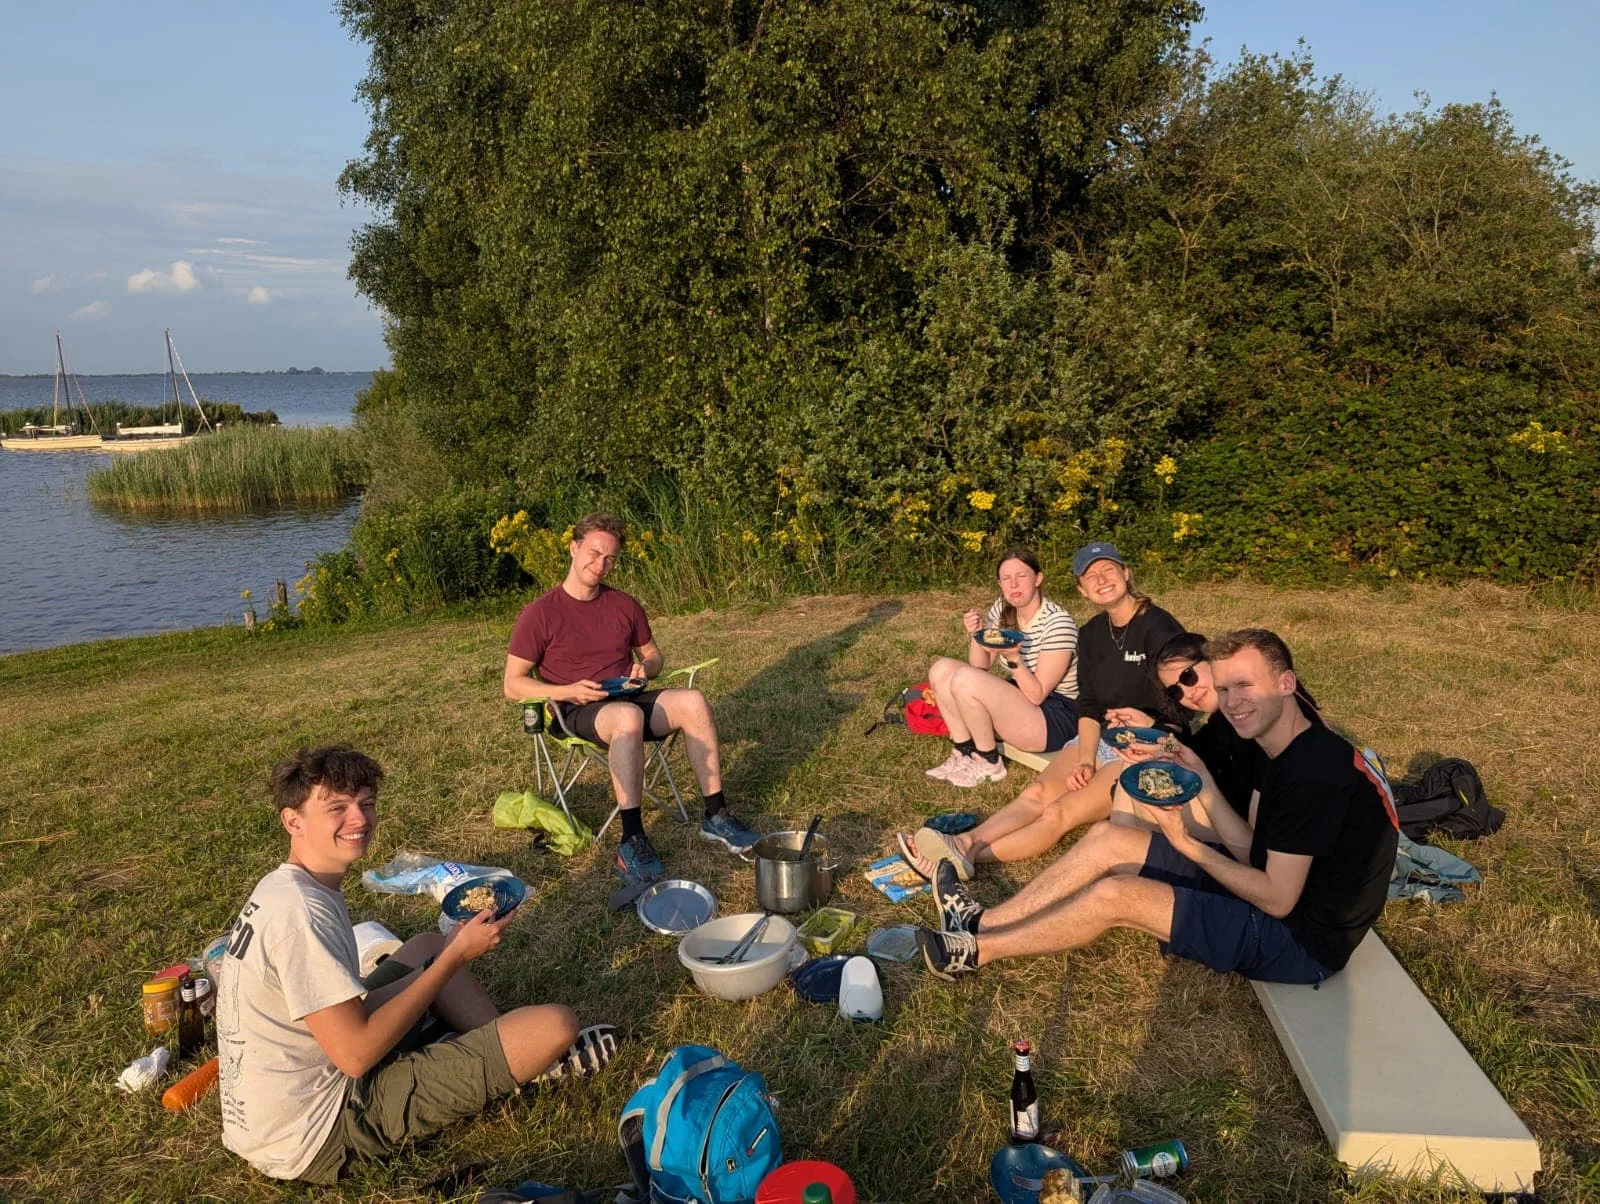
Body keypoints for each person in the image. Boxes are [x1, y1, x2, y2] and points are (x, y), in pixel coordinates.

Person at [216, 746, 617, 1186]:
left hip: (280, 1103)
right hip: (321, 1130)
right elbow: (355, 1055)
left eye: (366, 804)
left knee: (425, 945)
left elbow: (341, 1017)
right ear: (293, 821)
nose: (359, 819)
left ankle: (503, 1053)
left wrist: (440, 957)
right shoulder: (302, 916)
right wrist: (454, 958)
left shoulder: (288, 886)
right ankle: (526, 1062)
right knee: (555, 1026)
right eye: (337, 808)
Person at [914, 629, 1400, 986]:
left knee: (1116, 895)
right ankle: (982, 921)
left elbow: (1277, 899)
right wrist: (1203, 778)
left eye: (1245, 687)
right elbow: (1252, 848)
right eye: (1225, 689)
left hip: (1299, 941)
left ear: (1287, 684)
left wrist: (1187, 844)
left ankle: (976, 951)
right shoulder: (1280, 745)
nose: (1230, 703)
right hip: (1268, 888)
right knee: (1108, 837)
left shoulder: (1313, 772)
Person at [896, 541, 1184, 878]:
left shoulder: (1161, 629)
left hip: (1149, 743)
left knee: (1056, 814)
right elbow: (1089, 704)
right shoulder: (1092, 634)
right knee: (1034, 794)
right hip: (1101, 735)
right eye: (1091, 576)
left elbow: (1187, 700)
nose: (1101, 579)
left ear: (1126, 573)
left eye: (1108, 570)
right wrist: (1086, 758)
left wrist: (1153, 727)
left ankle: (963, 857)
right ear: (1082, 589)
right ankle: (963, 844)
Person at [503, 512, 758, 885]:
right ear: (573, 548)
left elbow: (653, 655)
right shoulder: (540, 613)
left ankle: (716, 815)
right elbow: (513, 684)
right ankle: (632, 837)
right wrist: (567, 690)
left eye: (610, 558)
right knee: (627, 717)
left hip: (625, 695)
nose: (600, 564)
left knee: (694, 701)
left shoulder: (623, 605)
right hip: (575, 707)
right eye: (593, 553)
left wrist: (646, 670)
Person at [920, 548, 1080, 789]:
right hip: (1023, 699)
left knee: (965, 679)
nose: (1013, 584)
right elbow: (979, 665)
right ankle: (964, 750)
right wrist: (977, 634)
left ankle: (989, 762)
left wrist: (1015, 659)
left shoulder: (1058, 624)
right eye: (1006, 578)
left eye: (1021, 576)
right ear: (1000, 583)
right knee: (941, 669)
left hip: (1055, 716)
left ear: (1038, 579)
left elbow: (1037, 694)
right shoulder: (1003, 609)